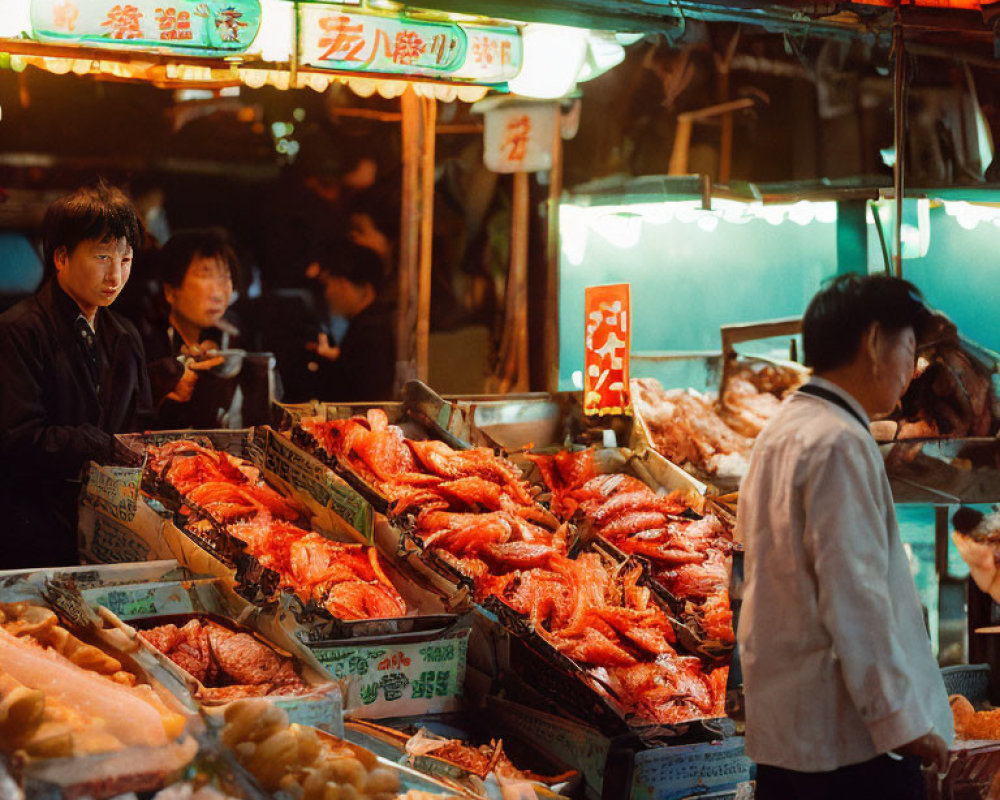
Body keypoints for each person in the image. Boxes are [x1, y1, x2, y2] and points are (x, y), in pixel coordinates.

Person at [737, 273, 953, 800]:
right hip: (847, 753)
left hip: (789, 744)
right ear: (874, 341)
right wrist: (905, 722)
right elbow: (854, 600)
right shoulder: (838, 442)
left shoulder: (782, 429)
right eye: (909, 346)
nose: (912, 366)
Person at [0, 183, 152, 569]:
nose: (115, 274)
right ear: (62, 257)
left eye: (126, 259)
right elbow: (19, 439)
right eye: (102, 256)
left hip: (108, 531)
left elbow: (140, 428)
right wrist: (95, 444)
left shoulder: (125, 335)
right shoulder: (18, 331)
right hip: (33, 532)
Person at [144, 228, 266, 428]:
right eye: (205, 276)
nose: (218, 294)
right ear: (170, 291)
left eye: (224, 277)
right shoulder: (146, 345)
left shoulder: (234, 335)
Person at [306, 240, 395, 402]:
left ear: (363, 287)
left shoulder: (372, 329)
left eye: (331, 284)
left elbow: (358, 392)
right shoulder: (366, 323)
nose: (328, 294)